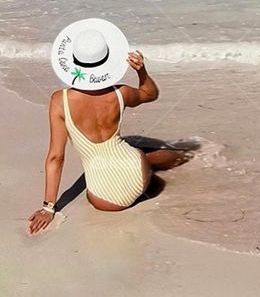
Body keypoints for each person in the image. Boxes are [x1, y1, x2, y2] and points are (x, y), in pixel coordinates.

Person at [28, 32, 188, 235]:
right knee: (139, 152)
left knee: (134, 152)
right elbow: (151, 94)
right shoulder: (120, 93)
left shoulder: (60, 101)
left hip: (106, 201)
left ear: (73, 62)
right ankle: (186, 156)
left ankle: (174, 159)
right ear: (106, 61)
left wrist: (48, 207)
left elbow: (56, 157)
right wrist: (141, 71)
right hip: (138, 171)